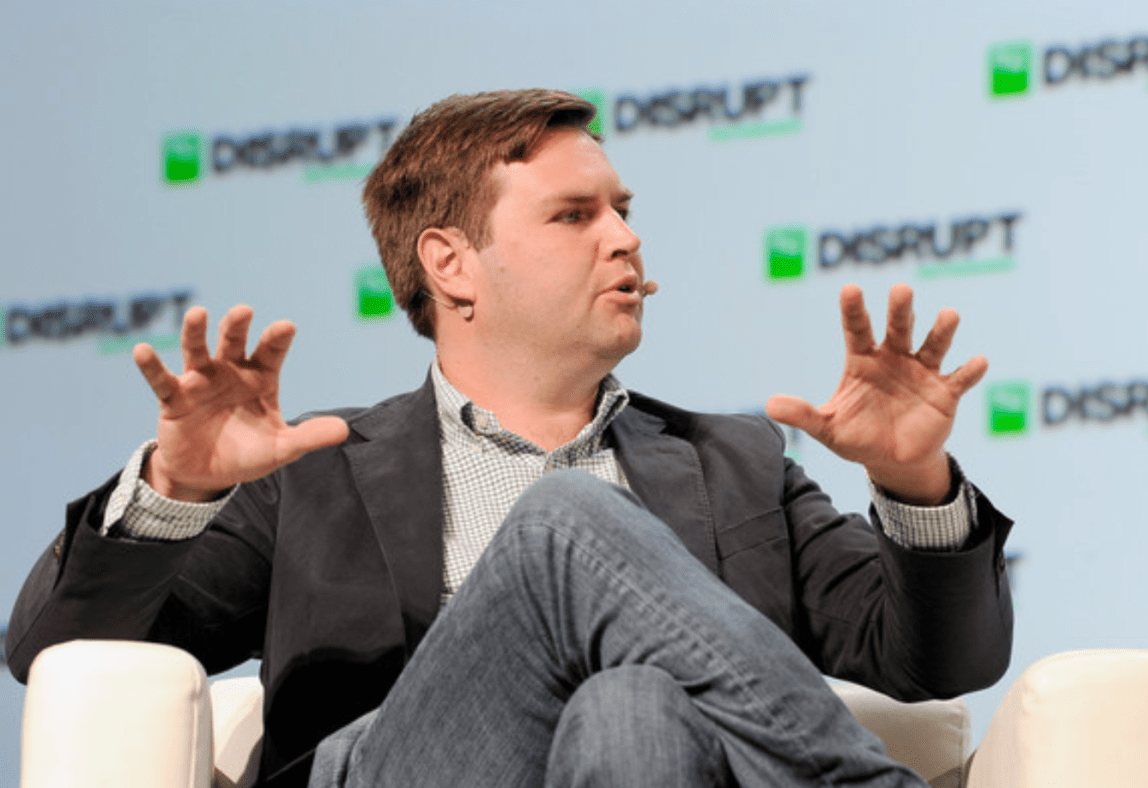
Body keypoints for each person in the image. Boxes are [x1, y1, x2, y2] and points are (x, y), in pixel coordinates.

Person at [5, 89, 1012, 788]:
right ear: (451, 264)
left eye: (623, 210)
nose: (626, 237)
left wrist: (912, 479)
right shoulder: (316, 473)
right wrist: (176, 488)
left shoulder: (735, 464)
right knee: (566, 519)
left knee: (632, 710)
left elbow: (935, 659)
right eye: (576, 215)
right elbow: (53, 653)